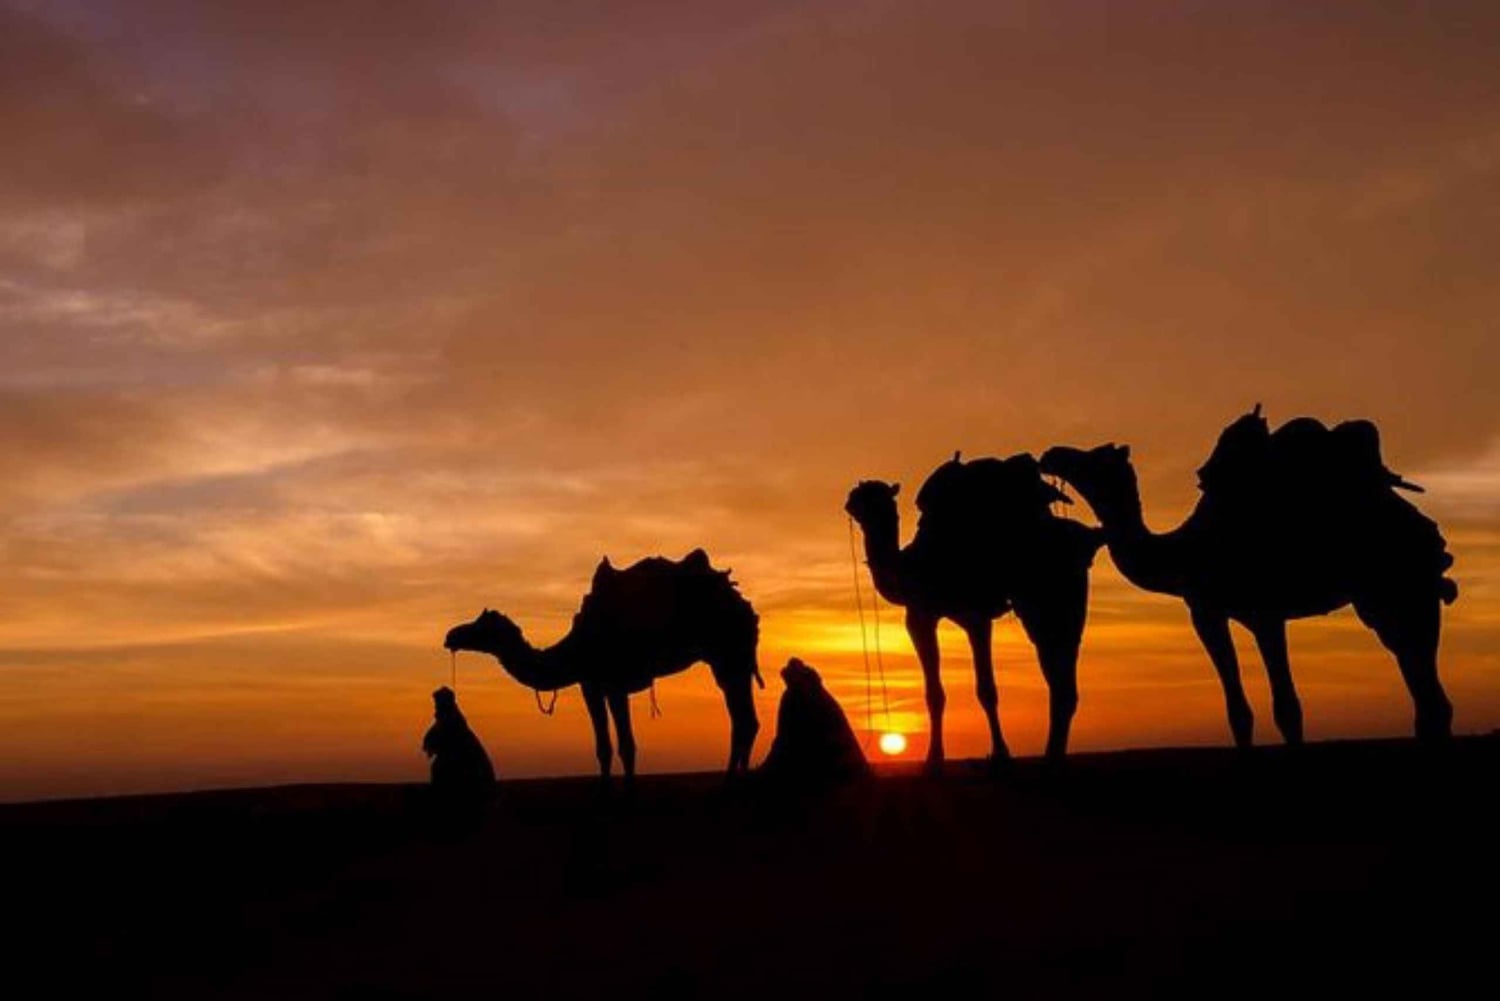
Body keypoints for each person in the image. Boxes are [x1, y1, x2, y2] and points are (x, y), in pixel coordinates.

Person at [759, 658, 868, 787]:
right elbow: (786, 734)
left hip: (823, 756)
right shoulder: (806, 695)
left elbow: (787, 735)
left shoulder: (803, 696)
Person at [422, 686, 495, 825]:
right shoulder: (449, 722)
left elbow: (434, 743)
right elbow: (429, 743)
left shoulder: (453, 725)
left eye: (438, 704)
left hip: (472, 785)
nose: (436, 708)